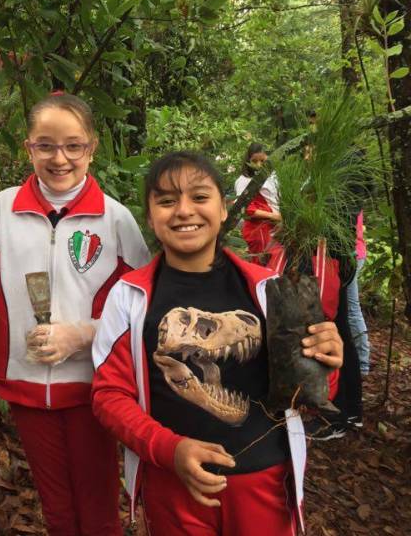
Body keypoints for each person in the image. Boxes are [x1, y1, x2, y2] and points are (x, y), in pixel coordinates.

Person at [92, 151, 343, 535]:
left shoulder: (267, 290)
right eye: (166, 201)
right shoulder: (129, 297)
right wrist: (168, 449)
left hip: (264, 483)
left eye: (199, 197)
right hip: (172, 485)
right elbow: (110, 395)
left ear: (224, 209)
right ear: (149, 217)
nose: (184, 211)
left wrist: (326, 362)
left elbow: (306, 399)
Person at [0, 93, 150, 535]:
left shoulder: (115, 219)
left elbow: (141, 309)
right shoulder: (2, 210)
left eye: (73, 145)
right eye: (45, 145)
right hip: (27, 384)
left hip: (95, 388)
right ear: (28, 147)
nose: (59, 158)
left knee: (99, 505)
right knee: (57, 508)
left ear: (91, 148)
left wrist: (83, 334)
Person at [234, 142, 281, 264]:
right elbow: (245, 208)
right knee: (262, 266)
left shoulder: (273, 176)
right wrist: (274, 216)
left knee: (275, 266)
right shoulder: (244, 180)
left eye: (263, 160)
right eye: (254, 161)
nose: (259, 165)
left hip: (276, 229)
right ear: (248, 161)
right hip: (258, 231)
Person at [348, 211, 370, 375]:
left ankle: (362, 365)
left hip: (352, 254)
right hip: (354, 252)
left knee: (351, 309)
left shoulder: (346, 190)